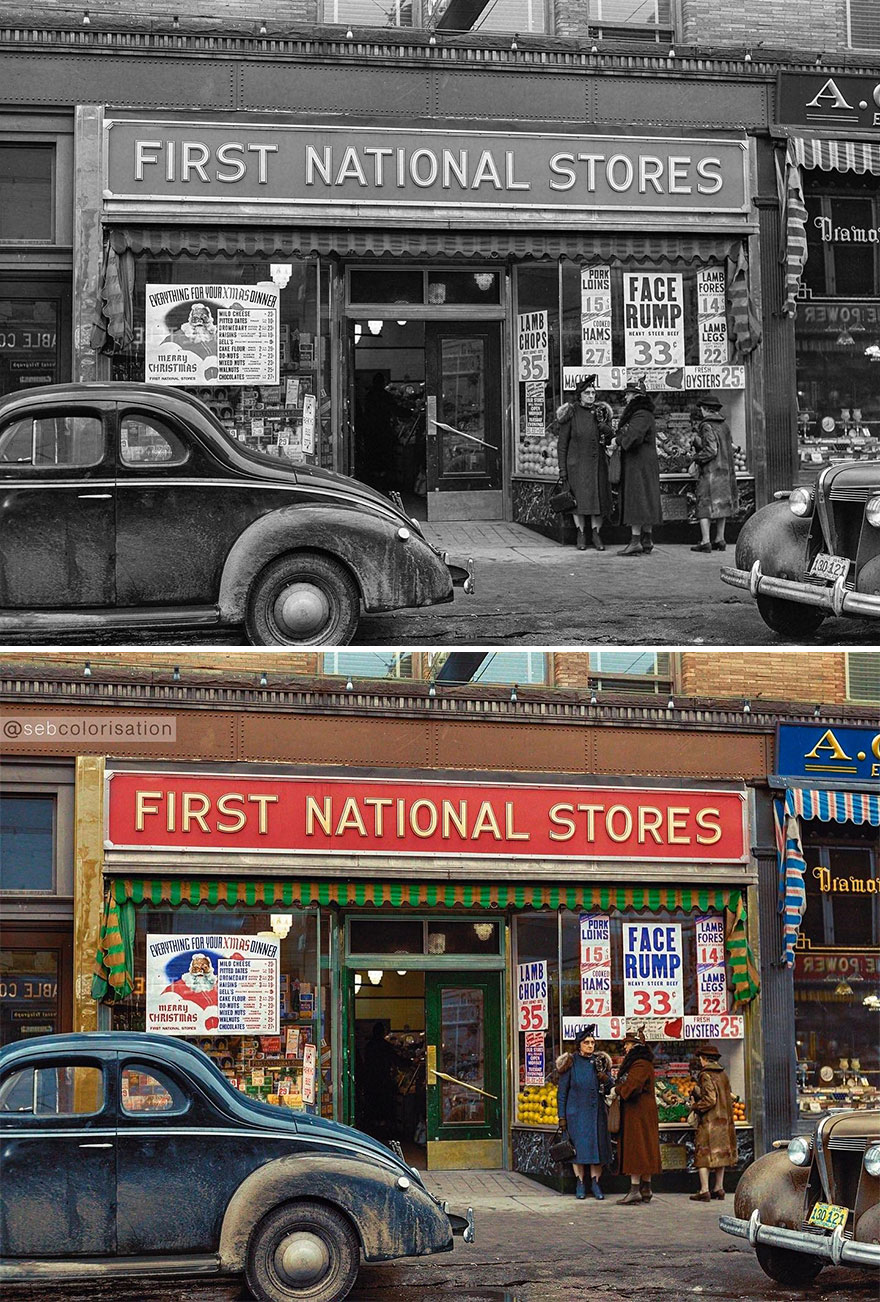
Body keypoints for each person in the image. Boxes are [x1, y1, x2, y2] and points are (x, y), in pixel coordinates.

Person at [555, 376, 613, 551]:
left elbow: (611, 437)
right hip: (577, 466)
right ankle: (581, 534)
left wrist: (603, 426)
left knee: (598, 501)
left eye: (593, 393)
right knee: (578, 503)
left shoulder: (600, 412)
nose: (591, 396)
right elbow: (562, 445)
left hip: (598, 465)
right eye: (587, 393)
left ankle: (596, 534)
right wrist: (562, 469)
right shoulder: (571, 413)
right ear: (580, 395)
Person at [556, 1026, 613, 1199]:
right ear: (579, 1044)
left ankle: (595, 1183)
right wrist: (562, 1117)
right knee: (578, 1152)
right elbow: (562, 1093)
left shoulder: (600, 1062)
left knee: (597, 1151)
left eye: (592, 1042)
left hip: (597, 1115)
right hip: (576, 1115)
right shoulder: (570, 1063)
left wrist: (606, 1078)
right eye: (586, 1042)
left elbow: (610, 1087)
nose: (590, 1045)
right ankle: (580, 1183)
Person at [608, 378, 662, 557]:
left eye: (628, 394)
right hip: (644, 464)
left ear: (636, 396)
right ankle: (647, 540)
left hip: (638, 465)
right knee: (646, 500)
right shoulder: (644, 413)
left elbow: (633, 437)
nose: (626, 397)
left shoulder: (640, 414)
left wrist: (617, 441)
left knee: (637, 501)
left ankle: (635, 541)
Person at [613, 1030, 662, 1204]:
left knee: (637, 1148)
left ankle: (635, 1190)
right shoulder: (644, 1063)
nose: (625, 1048)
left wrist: (618, 1090)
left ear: (634, 1046)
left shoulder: (639, 1064)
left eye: (627, 1044)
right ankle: (646, 1188)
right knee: (646, 1148)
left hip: (637, 1112)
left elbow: (632, 1087)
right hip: (643, 1112)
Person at [688, 1042, 738, 1201]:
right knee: (720, 1154)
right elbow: (728, 1095)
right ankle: (719, 1188)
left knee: (703, 1155)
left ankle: (704, 1190)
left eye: (700, 1059)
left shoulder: (705, 1075)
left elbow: (710, 1099)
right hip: (724, 1121)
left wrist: (696, 1106)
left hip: (710, 1122)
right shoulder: (723, 1074)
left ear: (704, 1059)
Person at [690, 395, 739, 553]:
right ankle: (720, 539)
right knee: (722, 504)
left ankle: (705, 541)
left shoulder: (706, 426)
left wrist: (696, 458)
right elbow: (730, 447)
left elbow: (711, 450)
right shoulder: (724, 425)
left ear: (704, 409)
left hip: (711, 473)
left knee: (704, 504)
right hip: (725, 472)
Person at [161, 952, 219, 1032]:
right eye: (196, 969)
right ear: (191, 970)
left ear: (210, 969)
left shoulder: (219, 986)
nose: (200, 972)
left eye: (204, 968)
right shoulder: (176, 988)